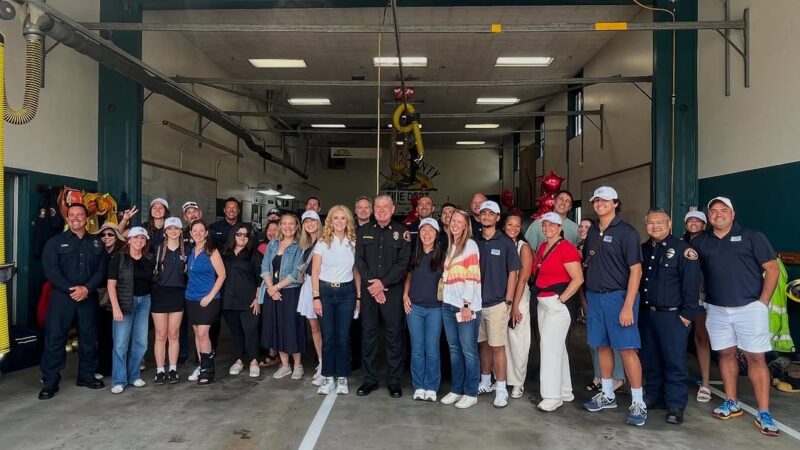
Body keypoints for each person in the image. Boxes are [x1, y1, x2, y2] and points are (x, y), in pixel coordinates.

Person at [692, 197, 780, 437]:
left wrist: (763, 302)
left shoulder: (752, 236)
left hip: (749, 307)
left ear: (732, 213)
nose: (718, 214)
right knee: (726, 353)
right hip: (716, 308)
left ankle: (764, 411)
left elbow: (772, 268)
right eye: (713, 211)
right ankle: (732, 402)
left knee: (756, 358)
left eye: (723, 210)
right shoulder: (702, 242)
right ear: (708, 217)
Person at [581, 187, 646, 427]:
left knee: (627, 348)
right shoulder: (592, 233)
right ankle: (607, 393)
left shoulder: (627, 232)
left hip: (619, 298)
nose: (600, 203)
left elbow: (635, 271)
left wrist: (628, 305)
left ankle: (638, 401)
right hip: (596, 297)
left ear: (615, 203)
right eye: (596, 200)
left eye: (605, 200)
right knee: (602, 346)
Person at [639, 208, 702, 424]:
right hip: (647, 315)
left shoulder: (684, 250)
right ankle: (654, 397)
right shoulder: (643, 249)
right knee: (651, 360)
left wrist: (687, 315)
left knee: (674, 362)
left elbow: (692, 285)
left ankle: (675, 404)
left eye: (659, 222)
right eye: (650, 223)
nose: (654, 226)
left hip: (673, 317)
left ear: (669, 223)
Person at [39, 204, 108, 400]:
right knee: (55, 339)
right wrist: (72, 289)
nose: (76, 218)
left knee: (88, 338)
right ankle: (50, 381)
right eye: (72, 215)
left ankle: (86, 376)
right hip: (62, 298)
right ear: (67, 218)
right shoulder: (54, 242)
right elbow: (51, 270)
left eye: (80, 215)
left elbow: (101, 271)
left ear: (87, 219)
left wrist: (86, 289)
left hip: (87, 296)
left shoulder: (96, 244)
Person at [355, 195, 411, 398]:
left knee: (394, 337)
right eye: (377, 206)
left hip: (392, 292)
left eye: (385, 206)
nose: (381, 210)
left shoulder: (402, 232)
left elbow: (403, 263)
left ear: (393, 208)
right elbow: (359, 260)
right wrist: (373, 285)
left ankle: (394, 381)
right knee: (368, 336)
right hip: (371, 291)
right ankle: (369, 380)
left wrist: (383, 284)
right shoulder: (363, 231)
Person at [531, 212, 584, 411]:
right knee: (557, 347)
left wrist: (561, 299)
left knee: (549, 349)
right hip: (543, 301)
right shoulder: (543, 247)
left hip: (557, 303)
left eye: (552, 225)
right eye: (544, 225)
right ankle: (564, 390)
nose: (547, 229)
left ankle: (552, 396)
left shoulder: (567, 249)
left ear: (560, 227)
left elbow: (578, 279)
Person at [475, 200, 521, 408]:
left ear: (497, 218)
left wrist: (508, 301)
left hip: (497, 304)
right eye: (483, 213)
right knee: (483, 344)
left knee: (497, 347)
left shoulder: (506, 243)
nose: (486, 216)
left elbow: (513, 273)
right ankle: (485, 381)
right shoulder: (474, 241)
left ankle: (501, 388)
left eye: (490, 213)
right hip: (477, 302)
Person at [312, 205, 360, 395]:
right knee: (329, 336)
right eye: (336, 218)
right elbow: (315, 271)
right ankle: (327, 376)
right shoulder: (323, 242)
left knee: (343, 337)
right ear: (330, 221)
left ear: (348, 221)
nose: (339, 222)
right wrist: (316, 297)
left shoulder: (353, 242)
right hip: (325, 292)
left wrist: (358, 296)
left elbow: (356, 271)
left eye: (343, 218)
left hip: (347, 293)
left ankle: (342, 377)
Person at [439, 208, 482, 409]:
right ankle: (456, 389)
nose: (454, 223)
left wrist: (466, 304)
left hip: (465, 306)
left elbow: (472, 277)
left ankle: (470, 392)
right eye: (452, 220)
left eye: (459, 221)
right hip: (448, 304)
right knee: (455, 350)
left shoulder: (470, 246)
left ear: (466, 225)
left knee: (468, 351)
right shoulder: (452, 245)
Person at [580, 217, 626, 393]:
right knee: (595, 341)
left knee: (614, 340)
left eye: (587, 226)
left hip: (609, 297)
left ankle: (618, 377)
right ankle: (599, 376)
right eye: (581, 226)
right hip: (590, 296)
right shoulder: (579, 248)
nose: (583, 229)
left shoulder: (608, 246)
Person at [106, 227, 155, 394]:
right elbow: (111, 285)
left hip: (144, 301)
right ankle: (119, 380)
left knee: (141, 342)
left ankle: (134, 375)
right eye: (135, 238)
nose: (139, 241)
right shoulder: (119, 258)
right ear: (129, 240)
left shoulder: (149, 258)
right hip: (125, 302)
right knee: (120, 343)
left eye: (142, 238)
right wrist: (115, 308)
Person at [260, 213, 307, 380]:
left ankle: (298, 365)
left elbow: (297, 272)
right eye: (284, 224)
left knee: (292, 328)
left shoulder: (300, 246)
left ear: (296, 227)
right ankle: (285, 365)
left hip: (290, 292)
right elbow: (265, 267)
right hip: (273, 292)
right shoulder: (272, 245)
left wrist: (277, 287)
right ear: (280, 226)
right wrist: (271, 288)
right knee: (277, 328)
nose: (287, 227)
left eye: (291, 224)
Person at [403, 217, 444, 402]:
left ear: (436, 234)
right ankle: (419, 385)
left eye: (431, 230)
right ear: (419, 234)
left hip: (435, 309)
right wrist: (405, 295)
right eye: (423, 230)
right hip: (415, 308)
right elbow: (409, 276)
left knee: (432, 349)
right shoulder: (415, 253)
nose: (426, 234)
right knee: (417, 348)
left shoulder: (443, 255)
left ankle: (431, 386)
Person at [185, 220, 226, 385]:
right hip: (191, 298)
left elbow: (222, 275)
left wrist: (210, 296)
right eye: (195, 230)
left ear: (206, 233)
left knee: (203, 333)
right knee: (196, 332)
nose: (198, 233)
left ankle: (208, 370)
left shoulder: (212, 251)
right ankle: (202, 366)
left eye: (201, 230)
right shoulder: (190, 252)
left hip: (208, 299)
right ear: (191, 233)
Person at [221, 224, 263, 378]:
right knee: (236, 332)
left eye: (246, 235)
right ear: (233, 235)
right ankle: (238, 360)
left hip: (249, 300)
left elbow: (261, 279)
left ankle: (253, 361)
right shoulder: (224, 253)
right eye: (239, 234)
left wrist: (258, 298)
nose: (242, 237)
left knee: (251, 331)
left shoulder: (255, 255)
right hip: (229, 300)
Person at [150, 217, 187, 385]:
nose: (173, 231)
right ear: (165, 231)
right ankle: (159, 370)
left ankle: (172, 369)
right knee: (160, 335)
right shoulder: (157, 249)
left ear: (181, 231)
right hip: (160, 294)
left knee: (174, 334)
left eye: (176, 228)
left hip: (177, 294)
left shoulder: (186, 250)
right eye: (170, 228)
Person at [502, 214, 533, 400]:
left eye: (517, 225)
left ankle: (518, 383)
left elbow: (522, 279)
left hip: (518, 298)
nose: (513, 228)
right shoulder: (501, 243)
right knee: (502, 341)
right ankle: (503, 378)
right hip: (502, 296)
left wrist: (514, 306)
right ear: (503, 225)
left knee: (518, 340)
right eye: (509, 224)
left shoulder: (524, 247)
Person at [683, 210, 712, 403]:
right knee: (678, 339)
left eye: (698, 220)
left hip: (702, 297)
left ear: (704, 224)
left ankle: (706, 384)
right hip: (682, 297)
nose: (693, 223)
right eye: (690, 220)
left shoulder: (711, 243)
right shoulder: (679, 242)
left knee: (701, 338)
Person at [296, 210, 324, 385]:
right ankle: (321, 362)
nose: (310, 224)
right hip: (308, 286)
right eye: (306, 222)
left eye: (312, 221)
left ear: (318, 222)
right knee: (314, 327)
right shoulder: (305, 244)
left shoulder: (325, 241)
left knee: (325, 327)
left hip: (322, 286)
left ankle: (327, 364)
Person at [95, 221, 125, 379]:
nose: (106, 237)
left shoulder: (122, 254)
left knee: (122, 336)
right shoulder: (96, 253)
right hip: (101, 299)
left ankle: (122, 367)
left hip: (121, 298)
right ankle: (104, 367)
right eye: (103, 234)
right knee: (104, 334)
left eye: (110, 234)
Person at [178, 200, 203, 365]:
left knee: (202, 323)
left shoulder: (209, 232)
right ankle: (183, 353)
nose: (192, 214)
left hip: (202, 284)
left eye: (194, 211)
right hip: (183, 283)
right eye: (188, 212)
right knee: (183, 321)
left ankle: (203, 355)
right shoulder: (181, 235)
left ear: (199, 213)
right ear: (184, 217)